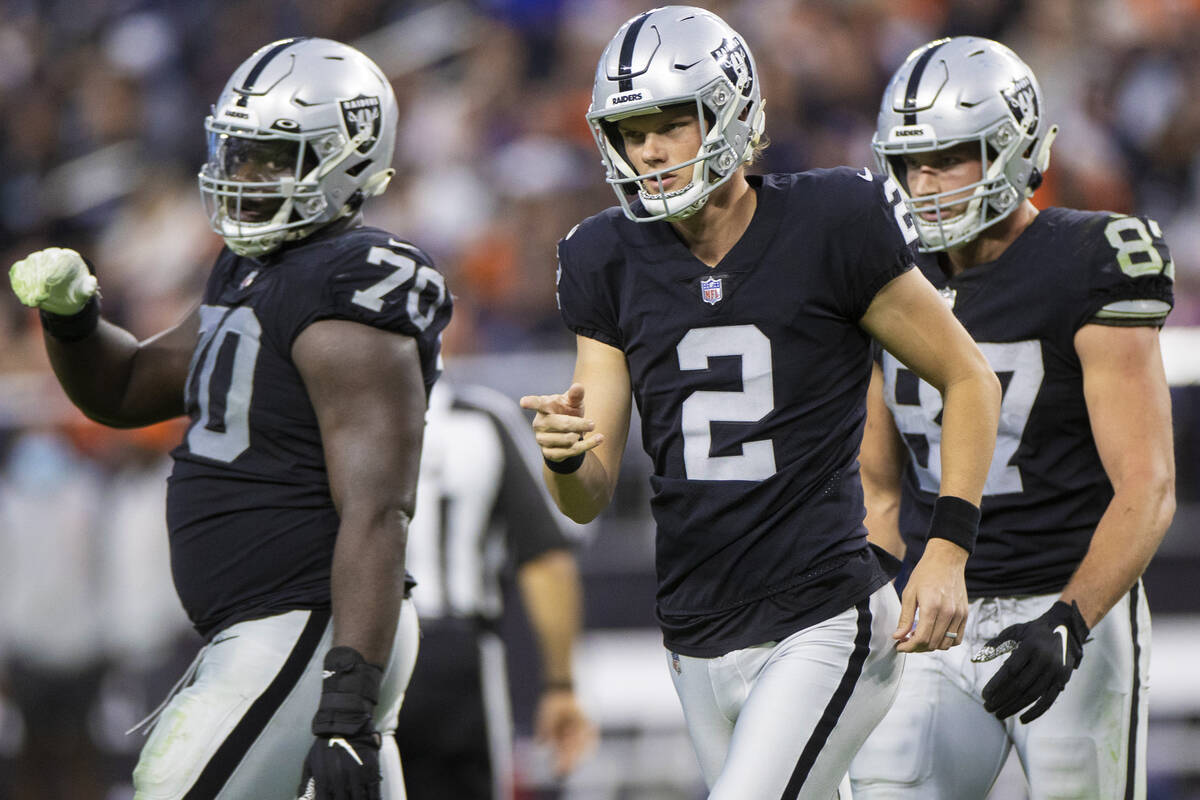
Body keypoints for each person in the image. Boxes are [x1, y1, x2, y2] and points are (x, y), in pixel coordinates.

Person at [518, 8, 1003, 799]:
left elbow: (969, 376)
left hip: (821, 611)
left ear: (732, 112)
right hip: (694, 629)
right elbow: (586, 496)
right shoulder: (602, 255)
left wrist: (948, 546)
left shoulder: (829, 220)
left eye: (670, 123)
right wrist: (565, 457)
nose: (647, 149)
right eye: (631, 130)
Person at [7, 37, 452, 800]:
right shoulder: (256, 268)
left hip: (310, 627)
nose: (243, 176)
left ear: (345, 155)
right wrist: (74, 319)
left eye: (271, 158)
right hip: (271, 629)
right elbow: (130, 387)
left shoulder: (350, 288)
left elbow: (378, 512)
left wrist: (345, 699)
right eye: (237, 152)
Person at [849, 36, 1175, 799]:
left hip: (1065, 607)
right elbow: (879, 486)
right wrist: (875, 603)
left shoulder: (1088, 258)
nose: (924, 183)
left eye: (950, 158)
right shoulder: (886, 272)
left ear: (1014, 146)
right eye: (910, 162)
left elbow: (1147, 487)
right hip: (935, 609)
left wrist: (1071, 618)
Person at [396, 380, 594, 799]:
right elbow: (547, 559)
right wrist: (560, 686)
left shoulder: (329, 410)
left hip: (357, 652)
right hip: (457, 653)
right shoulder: (482, 417)